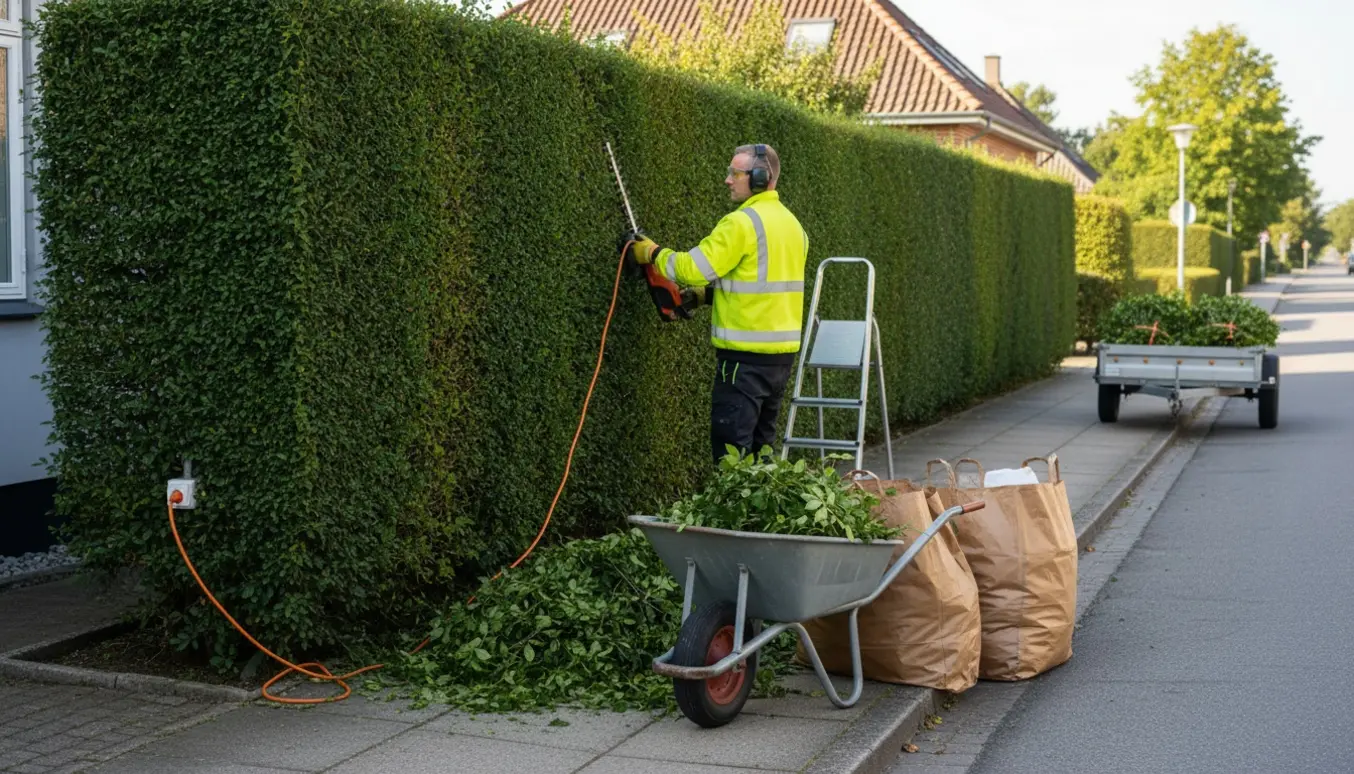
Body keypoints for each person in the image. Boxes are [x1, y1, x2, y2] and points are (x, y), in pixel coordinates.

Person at [624, 143, 809, 465]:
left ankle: (734, 514)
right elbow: (762, 285)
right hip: (780, 360)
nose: (727, 180)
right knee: (761, 452)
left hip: (743, 361)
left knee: (732, 456)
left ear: (759, 178)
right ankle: (756, 515)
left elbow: (693, 269)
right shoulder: (793, 226)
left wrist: (652, 253)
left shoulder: (742, 223)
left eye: (734, 173)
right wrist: (706, 296)